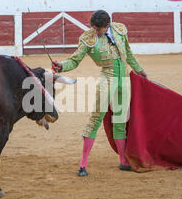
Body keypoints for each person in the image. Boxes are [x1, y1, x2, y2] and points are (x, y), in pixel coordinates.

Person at [51, 10, 147, 177]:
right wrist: (61, 66)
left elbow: (129, 54)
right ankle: (83, 164)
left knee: (120, 120)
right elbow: (75, 60)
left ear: (107, 26)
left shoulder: (119, 30)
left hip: (123, 80)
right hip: (107, 79)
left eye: (98, 29)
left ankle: (123, 162)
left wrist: (139, 70)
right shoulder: (87, 38)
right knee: (96, 118)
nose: (95, 32)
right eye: (93, 28)